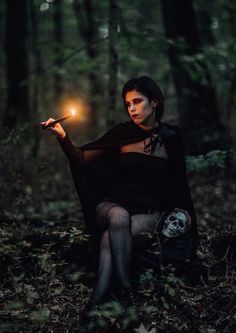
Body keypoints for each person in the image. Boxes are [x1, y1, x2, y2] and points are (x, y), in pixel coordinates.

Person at [41, 76, 198, 323]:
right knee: (118, 217)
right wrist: (62, 136)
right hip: (111, 204)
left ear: (154, 102)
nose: (132, 108)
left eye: (138, 101)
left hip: (148, 212)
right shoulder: (122, 133)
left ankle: (95, 303)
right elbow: (82, 159)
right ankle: (128, 294)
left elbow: (178, 183)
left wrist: (185, 216)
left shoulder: (171, 137)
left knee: (109, 237)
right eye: (128, 104)